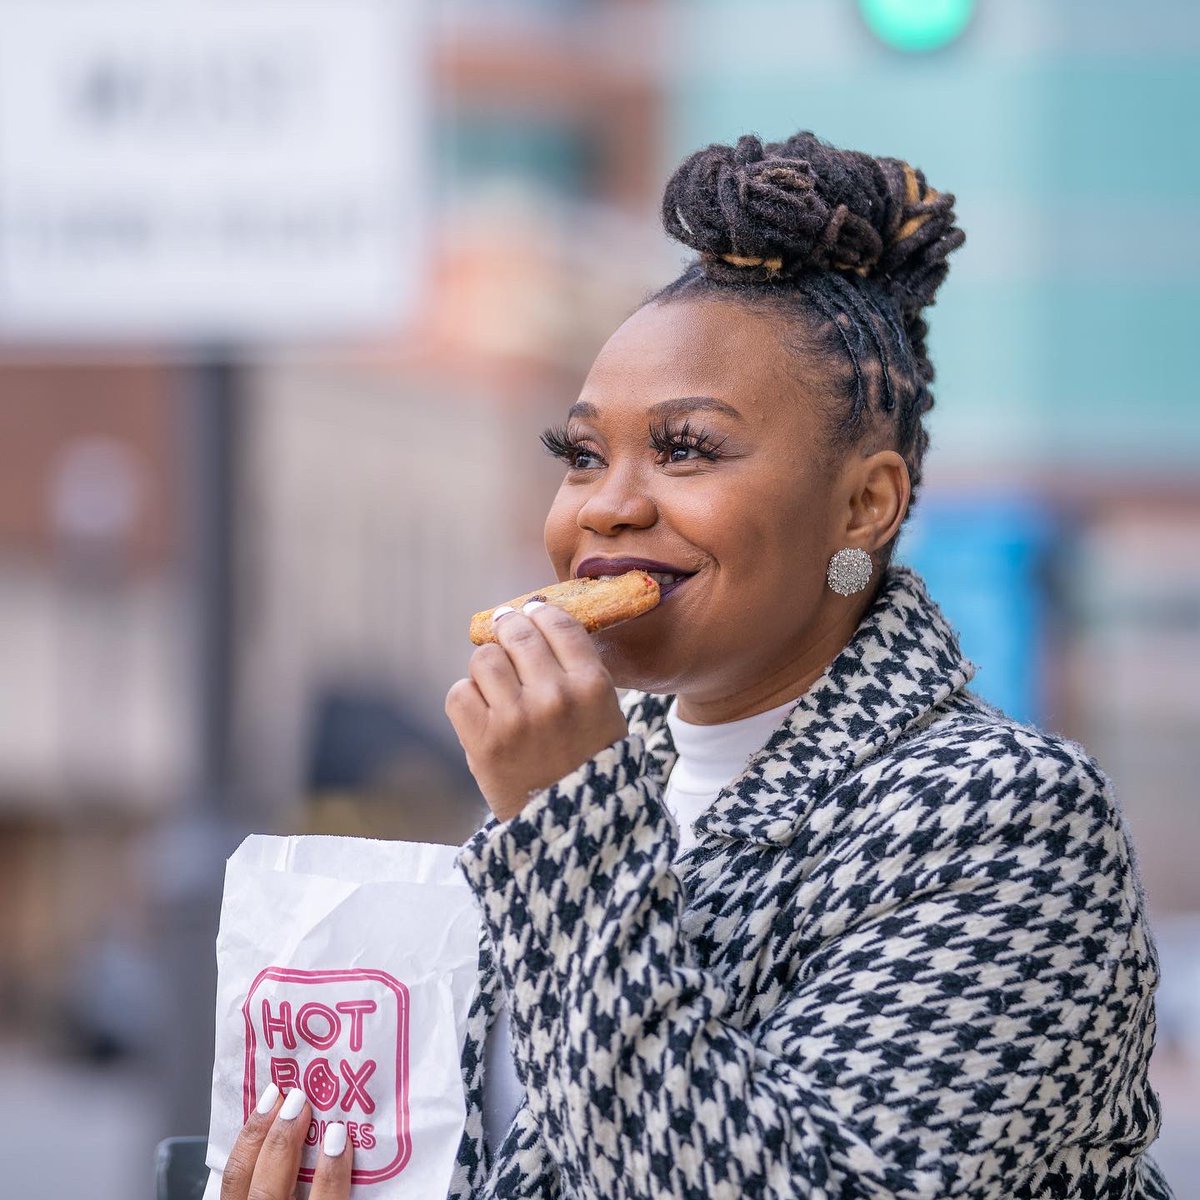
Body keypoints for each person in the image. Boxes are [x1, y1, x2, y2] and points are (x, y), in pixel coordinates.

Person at [441, 130, 1175, 1199]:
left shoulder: (1007, 816)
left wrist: (566, 821)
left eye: (688, 448)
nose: (608, 504)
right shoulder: (586, 792)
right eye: (584, 455)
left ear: (863, 505)